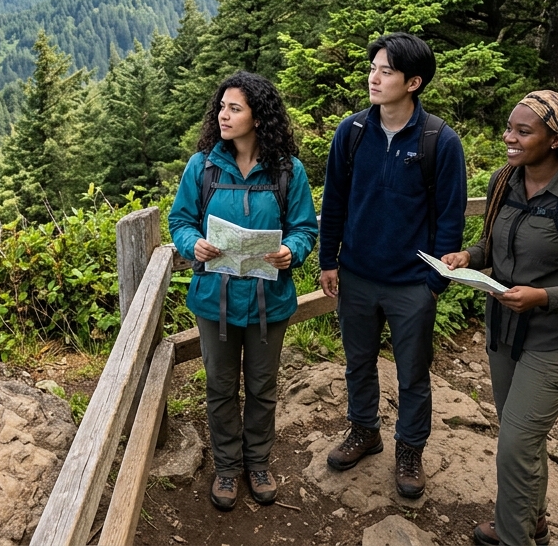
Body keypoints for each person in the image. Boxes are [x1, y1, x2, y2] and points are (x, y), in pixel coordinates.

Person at [439, 90, 558, 546]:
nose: (509, 137)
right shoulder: (506, 181)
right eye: (509, 128)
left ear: (556, 140)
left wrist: (543, 297)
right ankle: (533, 520)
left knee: (516, 443)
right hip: (504, 333)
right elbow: (494, 245)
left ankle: (513, 535)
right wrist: (468, 256)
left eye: (523, 131)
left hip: (555, 341)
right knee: (521, 437)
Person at [318, 32, 467, 499]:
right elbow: (335, 200)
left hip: (411, 283)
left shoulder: (439, 140)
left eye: (386, 71)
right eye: (373, 68)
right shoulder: (352, 132)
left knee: (413, 373)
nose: (374, 78)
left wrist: (434, 283)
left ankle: (410, 450)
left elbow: (450, 217)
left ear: (413, 82)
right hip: (357, 274)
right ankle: (365, 430)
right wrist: (328, 260)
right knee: (358, 363)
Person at [168, 71, 319, 511]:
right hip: (213, 299)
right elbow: (180, 221)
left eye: (235, 108)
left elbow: (305, 228)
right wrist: (192, 244)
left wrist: (291, 251)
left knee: (262, 386)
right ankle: (227, 468)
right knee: (219, 386)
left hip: (268, 300)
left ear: (259, 116)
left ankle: (258, 463)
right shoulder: (203, 167)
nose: (224, 115)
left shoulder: (288, 171)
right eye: (222, 107)